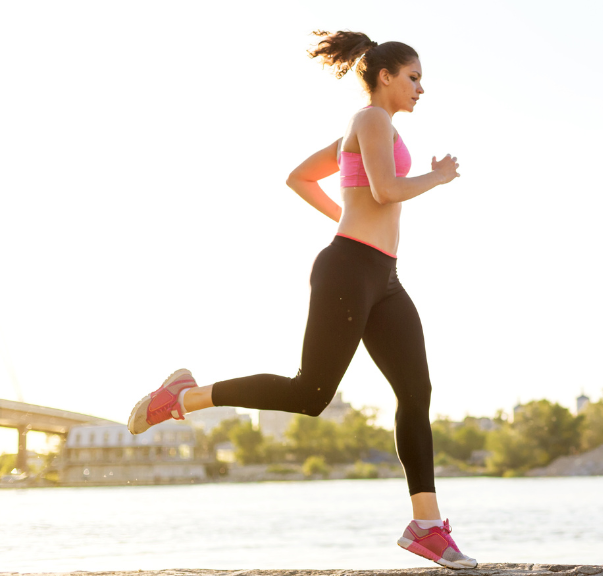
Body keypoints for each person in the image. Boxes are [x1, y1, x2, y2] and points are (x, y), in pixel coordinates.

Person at [126, 30, 476, 570]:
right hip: (349, 269)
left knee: (415, 388)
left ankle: (427, 526)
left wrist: (347, 218)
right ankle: (182, 397)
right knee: (311, 392)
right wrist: (437, 176)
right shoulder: (371, 119)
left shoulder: (367, 130)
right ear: (385, 76)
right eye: (413, 77)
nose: (421, 88)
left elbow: (299, 178)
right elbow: (384, 192)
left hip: (382, 275)